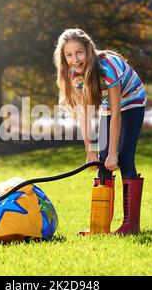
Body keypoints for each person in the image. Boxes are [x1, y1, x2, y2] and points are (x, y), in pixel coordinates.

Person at [53, 28, 146, 235]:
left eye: (79, 52)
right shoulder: (74, 75)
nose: (75, 59)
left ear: (88, 50)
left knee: (124, 158)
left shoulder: (106, 67)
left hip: (131, 100)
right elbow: (83, 116)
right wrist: (90, 152)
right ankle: (100, 226)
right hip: (108, 105)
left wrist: (114, 153)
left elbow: (116, 114)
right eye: (69, 54)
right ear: (63, 56)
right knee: (102, 161)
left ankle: (131, 225)